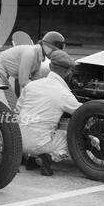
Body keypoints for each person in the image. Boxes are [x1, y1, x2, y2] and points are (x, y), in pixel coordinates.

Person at [17, 39, 80, 176]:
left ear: (50, 67)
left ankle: (31, 158)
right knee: (72, 136)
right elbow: (83, 113)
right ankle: (48, 158)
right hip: (39, 143)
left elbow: (17, 110)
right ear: (68, 72)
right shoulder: (64, 94)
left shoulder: (31, 85)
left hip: (18, 140)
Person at [0, 30, 64, 109]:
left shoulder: (38, 60)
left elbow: (36, 81)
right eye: (54, 50)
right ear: (46, 46)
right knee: (2, 108)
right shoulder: (30, 53)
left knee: (10, 106)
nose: (55, 53)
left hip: (1, 75)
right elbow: (23, 82)